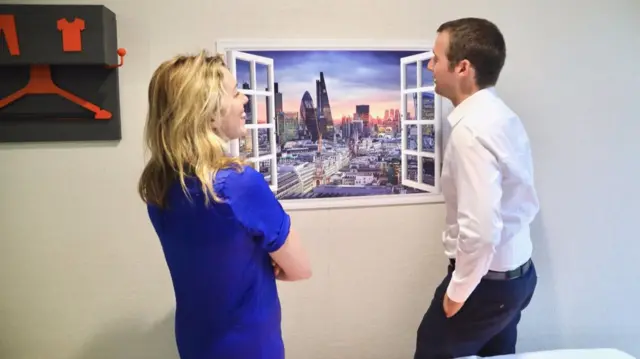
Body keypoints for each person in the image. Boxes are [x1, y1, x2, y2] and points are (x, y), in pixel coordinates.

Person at [138, 51, 312, 359]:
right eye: (234, 93)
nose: (245, 98)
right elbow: (299, 269)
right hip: (250, 347)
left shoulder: (158, 185)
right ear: (209, 114)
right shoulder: (237, 185)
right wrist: (268, 263)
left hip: (194, 343)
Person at [414, 18, 540, 359]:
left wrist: (458, 292)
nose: (430, 66)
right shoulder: (501, 116)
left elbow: (481, 229)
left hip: (486, 285)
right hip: (517, 276)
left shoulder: (471, 132)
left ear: (463, 68)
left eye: (436, 58)